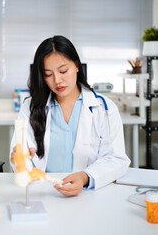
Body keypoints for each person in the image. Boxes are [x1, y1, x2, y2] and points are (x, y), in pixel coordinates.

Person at [10, 35, 130, 197]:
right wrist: (20, 159)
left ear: (77, 66)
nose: (57, 80)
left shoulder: (104, 109)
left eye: (63, 71)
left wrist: (85, 177)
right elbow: (21, 155)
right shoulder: (30, 107)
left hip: (88, 195)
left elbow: (116, 160)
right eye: (48, 74)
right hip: (43, 192)